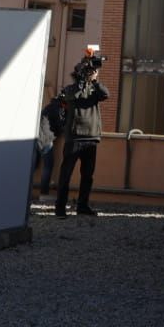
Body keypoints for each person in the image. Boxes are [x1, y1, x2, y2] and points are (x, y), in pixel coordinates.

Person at [54, 59, 108, 218]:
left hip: (91, 138)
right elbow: (74, 95)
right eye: (87, 72)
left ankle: (82, 206)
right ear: (79, 74)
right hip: (74, 138)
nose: (90, 74)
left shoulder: (94, 89)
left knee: (87, 175)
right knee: (66, 174)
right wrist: (82, 80)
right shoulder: (70, 89)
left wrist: (95, 80)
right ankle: (60, 208)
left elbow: (106, 94)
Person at [34, 90, 65, 196]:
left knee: (33, 165)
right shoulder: (58, 110)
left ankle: (24, 190)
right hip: (46, 139)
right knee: (48, 166)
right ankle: (43, 193)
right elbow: (61, 127)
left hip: (37, 137)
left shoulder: (50, 106)